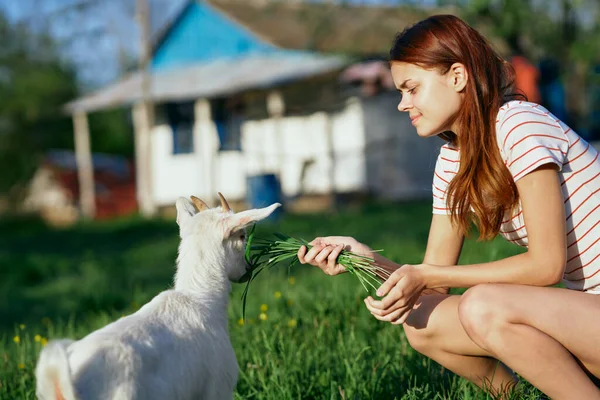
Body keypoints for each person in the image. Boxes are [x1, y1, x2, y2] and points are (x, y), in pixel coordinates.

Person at [297, 14, 600, 400]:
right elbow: (433, 282)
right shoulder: (452, 161)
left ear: (457, 76)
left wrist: (423, 275)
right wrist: (366, 258)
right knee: (422, 320)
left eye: (412, 89)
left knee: (483, 304)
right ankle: (519, 396)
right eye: (400, 92)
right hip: (587, 317)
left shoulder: (518, 124)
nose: (402, 104)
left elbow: (546, 266)